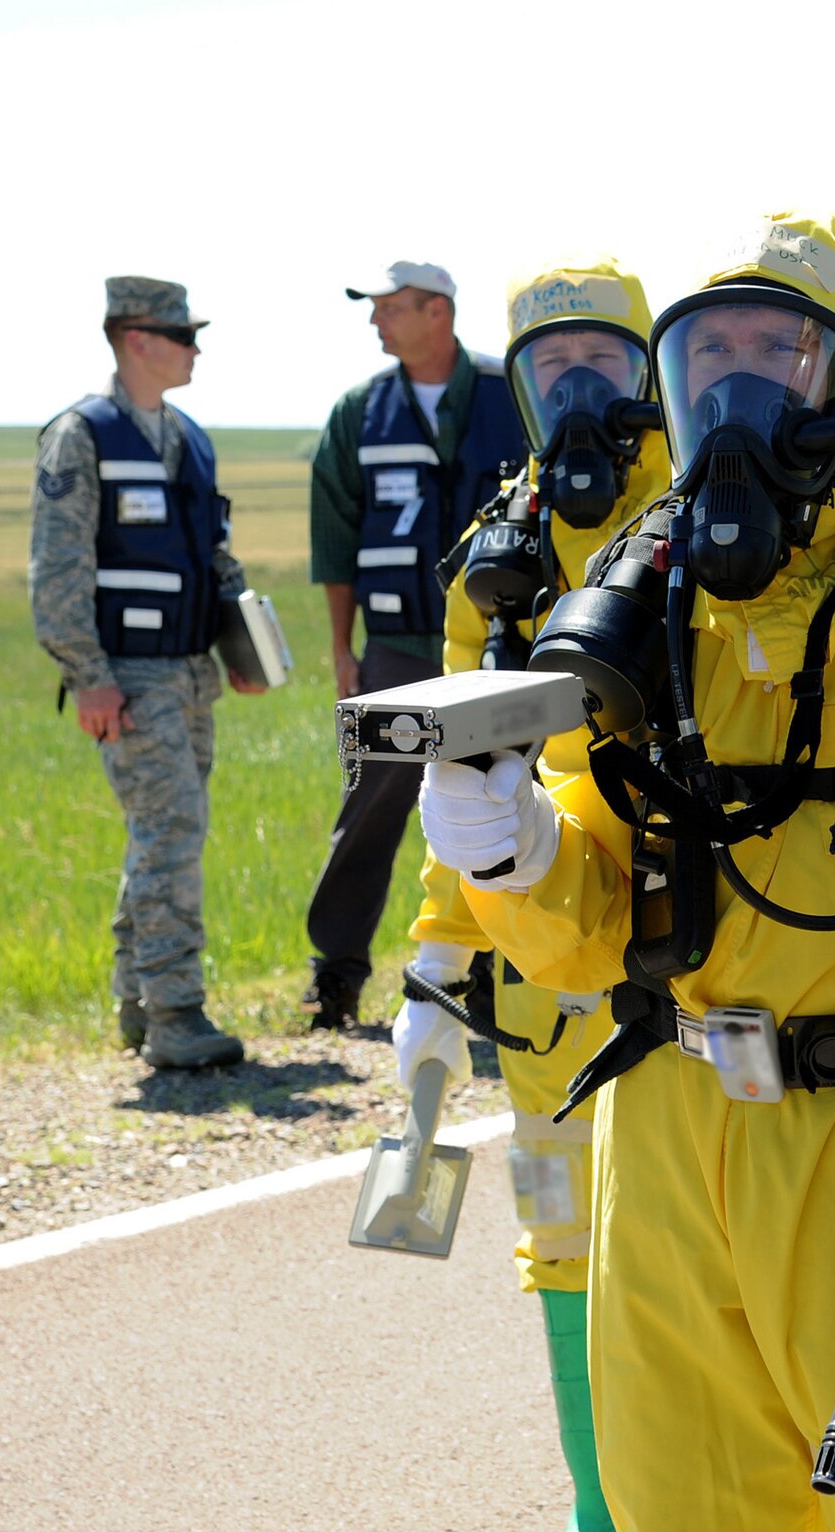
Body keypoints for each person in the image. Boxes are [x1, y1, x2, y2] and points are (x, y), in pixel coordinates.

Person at [420, 214, 835, 1532]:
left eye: (782, 351)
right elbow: (588, 931)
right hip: (664, 1151)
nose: (742, 389)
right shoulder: (640, 610)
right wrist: (507, 852)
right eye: (712, 358)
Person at [397, 255, 670, 1532]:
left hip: (689, 966)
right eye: (551, 370)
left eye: (603, 364)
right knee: (563, 1252)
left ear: (651, 376)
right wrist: (435, 963)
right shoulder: (488, 569)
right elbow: (458, 780)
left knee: (704, 1261)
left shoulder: (712, 521)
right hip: (539, 993)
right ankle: (602, 1524)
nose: (579, 393)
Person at [30, 275, 264, 1070]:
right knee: (172, 832)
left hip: (192, 670)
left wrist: (246, 648)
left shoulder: (190, 437)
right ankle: (175, 1014)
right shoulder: (80, 435)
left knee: (162, 830)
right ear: (136, 338)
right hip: (125, 674)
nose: (195, 348)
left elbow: (214, 555)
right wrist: (87, 674)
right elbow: (58, 571)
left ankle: (137, 999)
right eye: (182, 334)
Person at [302, 261, 526, 1034]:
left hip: (504, 644)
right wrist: (343, 649)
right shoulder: (360, 413)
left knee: (508, 798)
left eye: (390, 308)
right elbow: (334, 537)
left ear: (439, 311)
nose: (375, 323)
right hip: (396, 645)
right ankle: (334, 973)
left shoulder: (512, 393)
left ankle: (506, 971)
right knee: (372, 803)